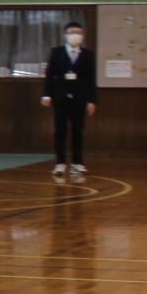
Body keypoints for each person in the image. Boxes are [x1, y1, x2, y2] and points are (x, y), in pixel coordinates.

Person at [42, 21, 96, 178]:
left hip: (79, 98)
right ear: (66, 35)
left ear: (82, 36)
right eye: (72, 32)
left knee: (78, 130)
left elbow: (91, 79)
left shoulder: (88, 55)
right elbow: (49, 76)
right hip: (60, 97)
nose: (75, 35)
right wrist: (47, 94)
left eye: (78, 32)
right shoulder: (56, 52)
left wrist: (91, 100)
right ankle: (60, 163)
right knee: (60, 130)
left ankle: (78, 163)